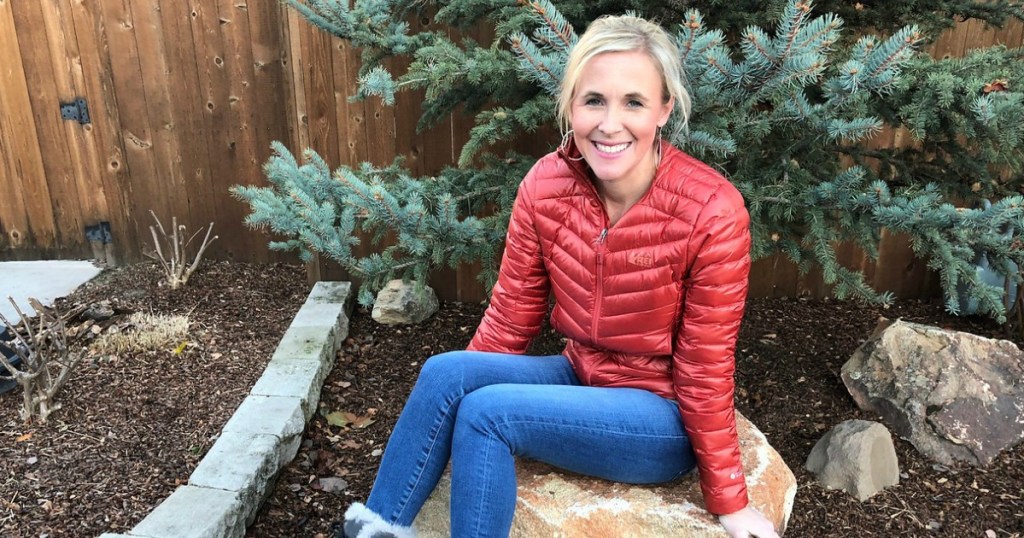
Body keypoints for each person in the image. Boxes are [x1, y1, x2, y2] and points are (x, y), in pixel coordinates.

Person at [338, 14, 780, 538]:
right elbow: (510, 314)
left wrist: (729, 499)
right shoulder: (546, 184)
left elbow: (707, 363)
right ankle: (374, 530)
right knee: (445, 375)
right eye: (593, 100)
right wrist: (455, 403)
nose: (609, 123)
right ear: (571, 105)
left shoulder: (712, 210)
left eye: (633, 102)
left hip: (661, 417)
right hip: (580, 373)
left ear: (663, 110)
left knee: (488, 413)